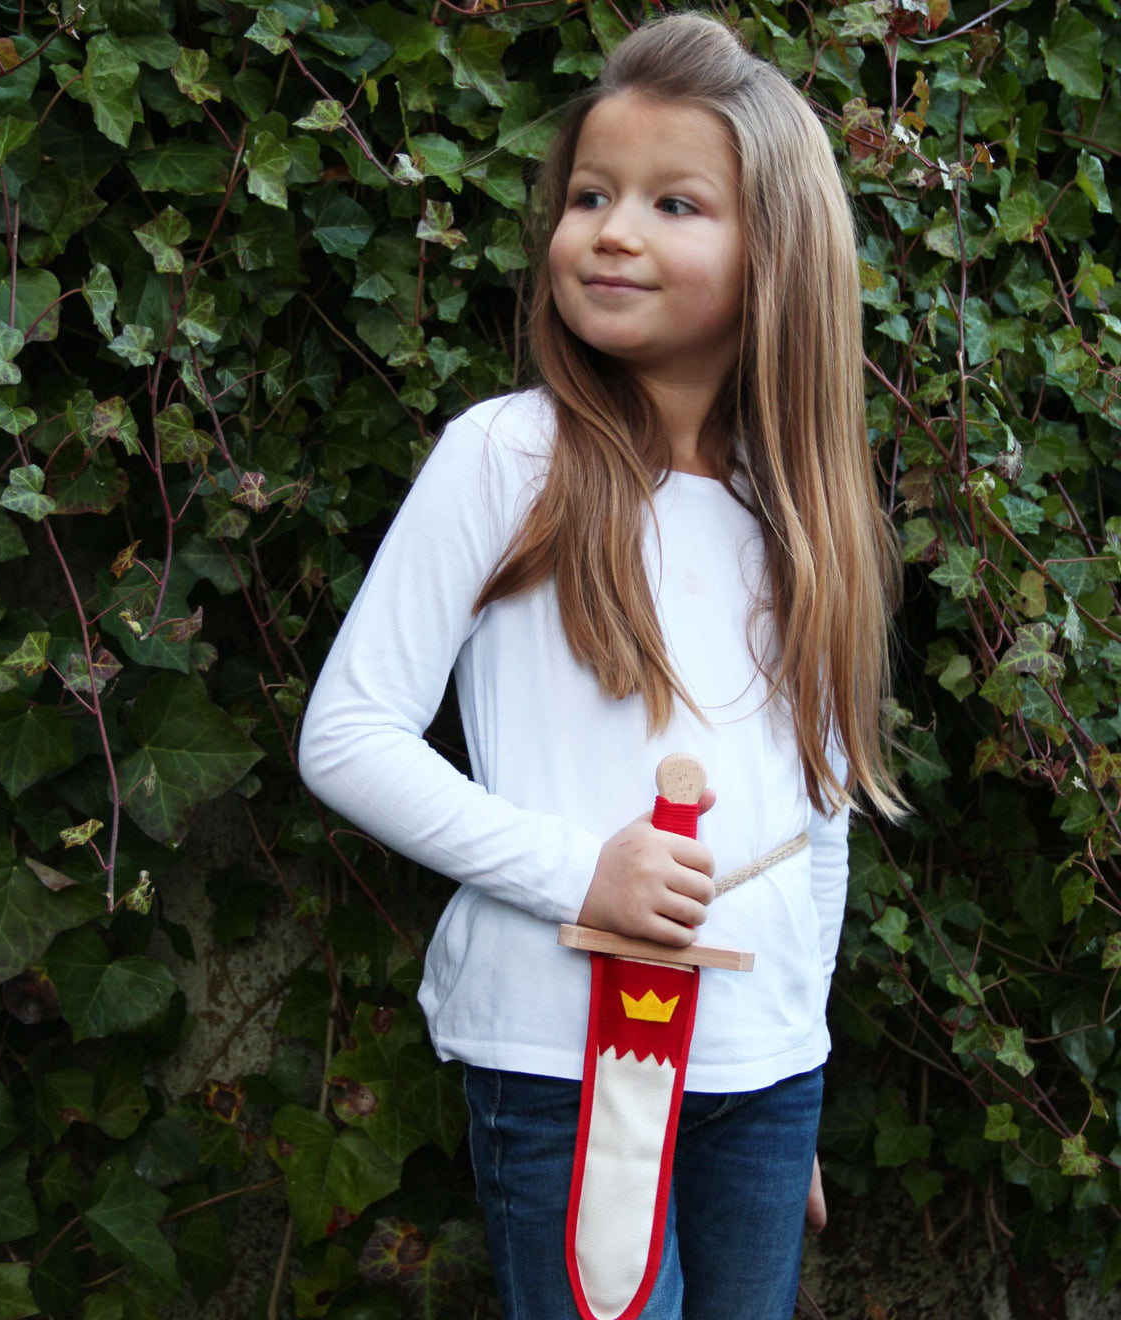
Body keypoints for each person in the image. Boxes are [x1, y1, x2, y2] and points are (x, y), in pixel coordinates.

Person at [299, 12, 903, 1319]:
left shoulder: (807, 509)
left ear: (779, 259)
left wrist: (797, 1067)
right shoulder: (509, 459)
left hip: (763, 1082)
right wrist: (585, 874)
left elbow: (820, 823)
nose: (610, 230)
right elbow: (346, 735)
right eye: (589, 195)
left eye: (673, 202)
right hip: (569, 1064)